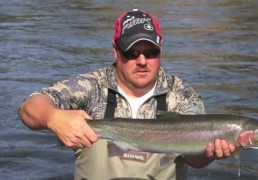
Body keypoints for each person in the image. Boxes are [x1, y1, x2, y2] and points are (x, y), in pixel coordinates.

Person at [19, 9, 236, 180]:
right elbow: (29, 108)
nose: (142, 61)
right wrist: (53, 118)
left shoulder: (181, 95)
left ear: (161, 51)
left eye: (151, 52)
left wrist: (210, 153)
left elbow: (195, 161)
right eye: (132, 52)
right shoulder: (92, 86)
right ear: (115, 51)